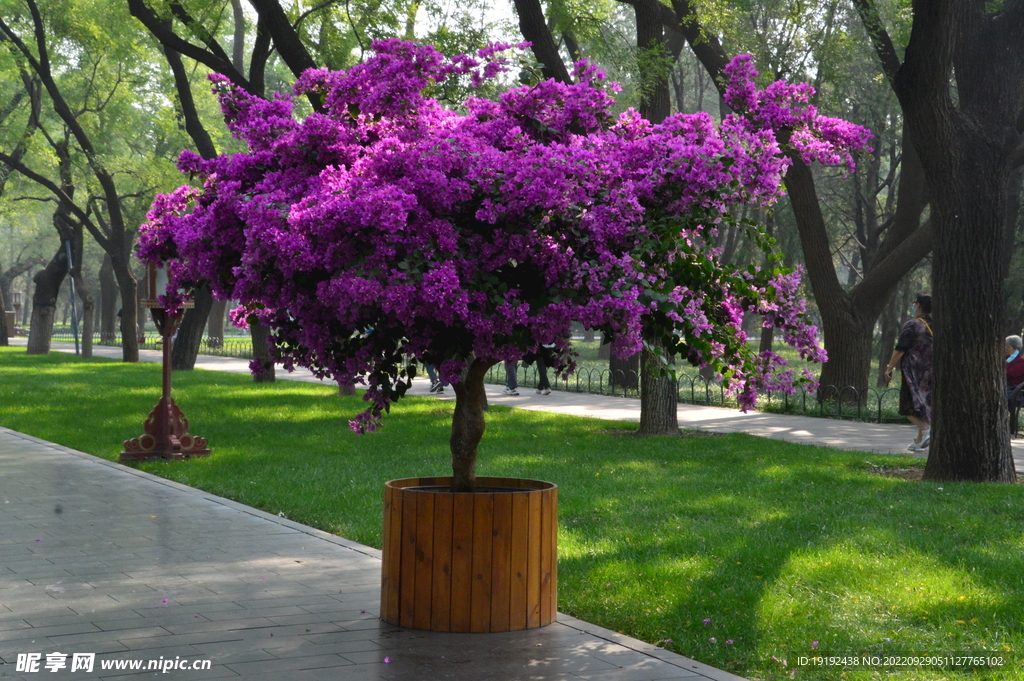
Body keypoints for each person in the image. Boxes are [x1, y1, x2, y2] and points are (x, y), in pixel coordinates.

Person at [883, 294, 933, 451]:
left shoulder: (912, 325)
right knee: (925, 405)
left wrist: (890, 367)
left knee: (908, 406)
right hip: (931, 371)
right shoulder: (935, 325)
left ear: (918, 305)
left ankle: (926, 429)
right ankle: (919, 442)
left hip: (914, 371)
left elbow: (900, 349)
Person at [1004, 335, 1024, 401]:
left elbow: (1007, 375)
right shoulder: (1006, 359)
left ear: (1015, 347)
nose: (1005, 348)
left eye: (1008, 346)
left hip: (1013, 390)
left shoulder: (1021, 362)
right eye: (1004, 346)